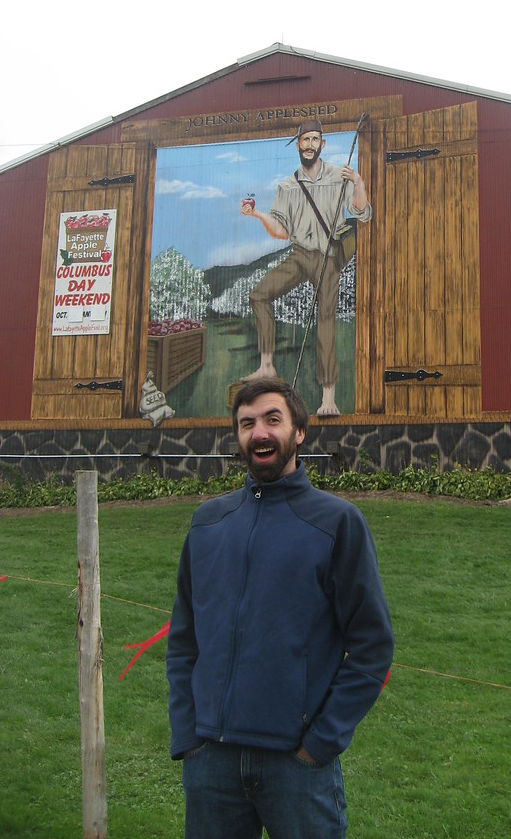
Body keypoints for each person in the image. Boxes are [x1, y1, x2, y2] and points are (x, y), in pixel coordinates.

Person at [166, 378, 394, 839]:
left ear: (300, 432)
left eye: (273, 419)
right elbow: (183, 640)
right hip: (211, 766)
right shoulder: (208, 523)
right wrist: (188, 736)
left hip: (297, 769)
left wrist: (320, 743)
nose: (260, 433)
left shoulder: (337, 523)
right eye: (247, 423)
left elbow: (372, 647)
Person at [240, 119, 371, 416]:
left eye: (315, 139)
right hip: (300, 254)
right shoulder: (287, 186)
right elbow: (281, 232)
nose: (310, 145)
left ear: (322, 144)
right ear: (298, 144)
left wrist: (359, 184)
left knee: (325, 320)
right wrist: (257, 215)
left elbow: (362, 214)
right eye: (305, 140)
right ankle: (267, 366)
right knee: (259, 294)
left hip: (328, 256)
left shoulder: (340, 175)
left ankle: (328, 399)